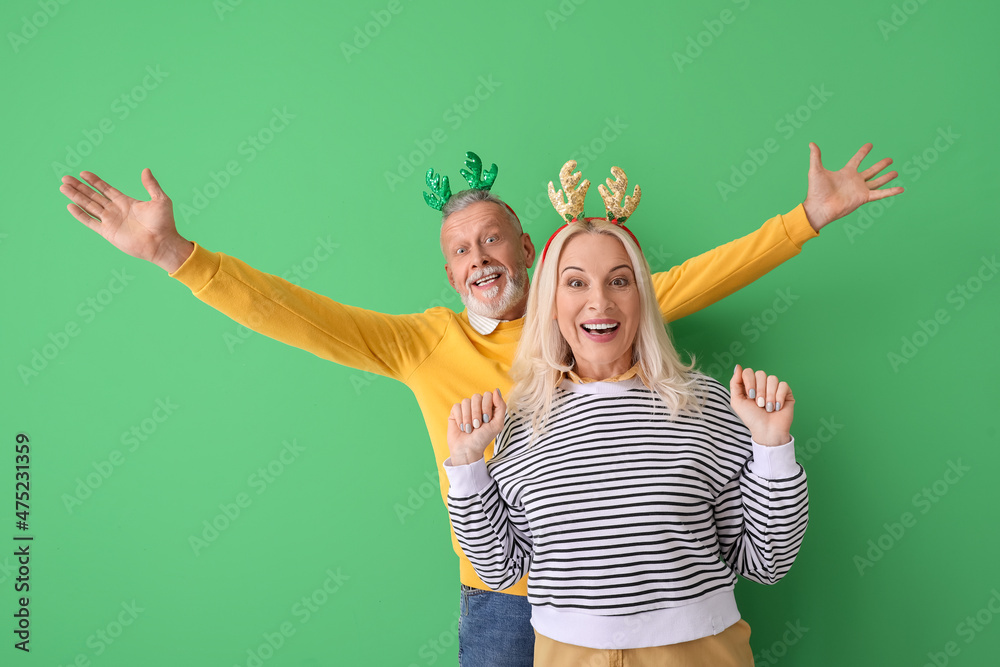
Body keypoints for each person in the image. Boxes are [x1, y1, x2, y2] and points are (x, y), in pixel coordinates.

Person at [57, 145, 896, 666]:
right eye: (460, 250)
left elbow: (709, 272)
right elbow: (299, 315)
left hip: (652, 607)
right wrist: (177, 254)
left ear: (532, 251)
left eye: (493, 237)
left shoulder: (598, 310)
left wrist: (808, 219)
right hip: (506, 602)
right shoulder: (422, 343)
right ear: (450, 274)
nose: (478, 256)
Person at [444, 163, 808, 665]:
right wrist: (466, 464)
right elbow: (500, 567)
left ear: (642, 296)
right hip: (566, 654)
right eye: (576, 284)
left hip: (698, 653)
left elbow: (766, 562)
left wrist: (772, 448)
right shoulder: (522, 421)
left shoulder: (707, 405)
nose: (599, 302)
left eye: (619, 281)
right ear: (551, 302)